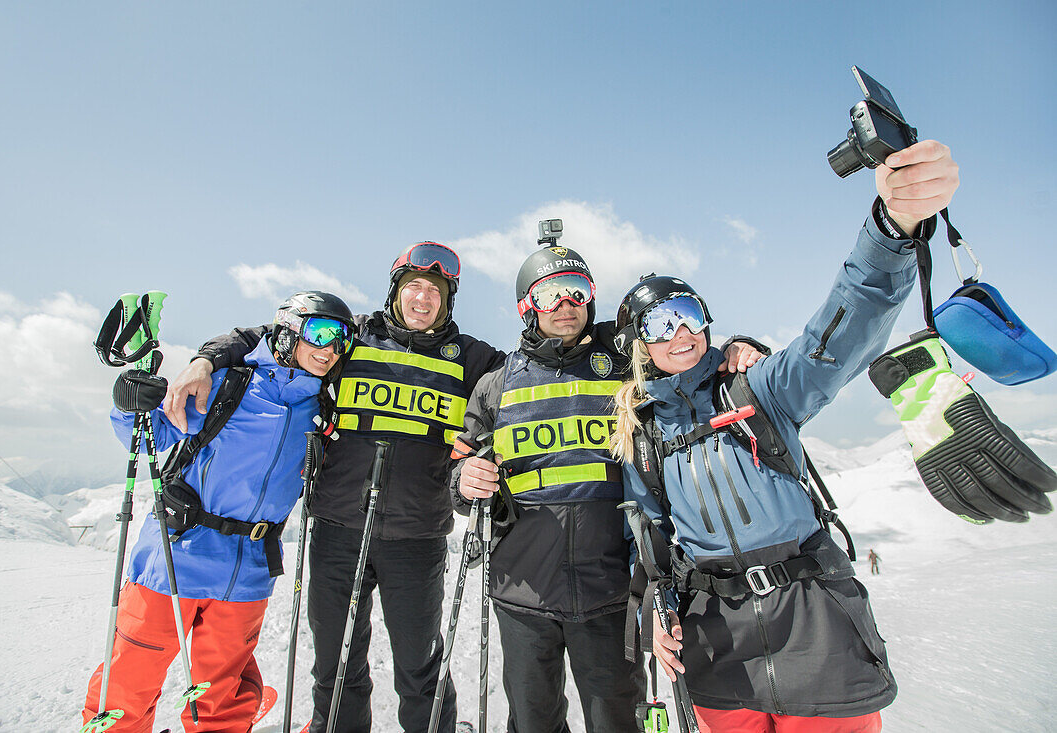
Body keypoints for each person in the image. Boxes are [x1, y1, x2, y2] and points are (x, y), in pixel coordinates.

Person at [609, 139, 959, 732]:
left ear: (706, 319)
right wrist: (654, 613)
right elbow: (649, 541)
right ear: (641, 343)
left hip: (812, 616)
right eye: (659, 324)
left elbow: (839, 333)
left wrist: (892, 228)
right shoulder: (643, 434)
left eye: (688, 314)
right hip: (715, 633)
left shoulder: (759, 388)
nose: (679, 333)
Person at [164, 242, 504, 733]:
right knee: (337, 665)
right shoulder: (353, 337)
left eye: (435, 291)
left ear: (448, 300)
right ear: (396, 292)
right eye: (413, 287)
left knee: (420, 670)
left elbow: (524, 380)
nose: (423, 299)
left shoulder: (473, 358)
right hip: (337, 531)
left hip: (417, 537)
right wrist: (205, 360)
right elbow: (268, 335)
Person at [452, 245, 765, 733]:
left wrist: (736, 348)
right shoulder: (496, 385)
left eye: (578, 291)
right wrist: (466, 479)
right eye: (550, 294)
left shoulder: (621, 365)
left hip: (611, 592)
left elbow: (680, 351)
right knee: (533, 722)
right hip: (523, 594)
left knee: (617, 721)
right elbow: (459, 474)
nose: (566, 303)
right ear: (526, 305)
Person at [82, 291, 355, 733]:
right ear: (287, 332)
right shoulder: (231, 382)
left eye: (341, 340)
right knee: (129, 682)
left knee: (222, 693)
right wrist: (133, 402)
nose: (330, 349)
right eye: (320, 333)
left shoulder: (322, 406)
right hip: (176, 557)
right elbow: (149, 433)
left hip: (248, 568)